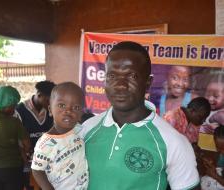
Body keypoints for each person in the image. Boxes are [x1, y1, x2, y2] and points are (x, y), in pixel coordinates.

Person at [81, 41, 199, 190]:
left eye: (131, 76)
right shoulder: (87, 129)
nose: (120, 85)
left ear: (148, 83)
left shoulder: (173, 142)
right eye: (112, 75)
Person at [31, 82, 89, 190]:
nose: (68, 111)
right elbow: (37, 170)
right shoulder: (45, 143)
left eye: (76, 107)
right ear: (50, 110)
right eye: (62, 105)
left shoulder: (80, 130)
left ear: (81, 113)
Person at [15, 80, 56, 190]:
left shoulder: (51, 111)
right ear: (39, 95)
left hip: (49, 163)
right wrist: (26, 160)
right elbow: (17, 140)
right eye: (48, 100)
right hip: (28, 163)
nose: (50, 103)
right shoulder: (20, 110)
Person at [201, 125, 224, 190]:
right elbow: (220, 168)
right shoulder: (221, 157)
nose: (222, 152)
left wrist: (215, 176)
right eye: (218, 148)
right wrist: (212, 166)